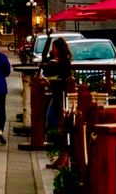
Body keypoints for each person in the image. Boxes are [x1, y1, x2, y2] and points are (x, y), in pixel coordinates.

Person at [42, 36, 73, 169]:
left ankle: (64, 154)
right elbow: (44, 61)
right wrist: (48, 39)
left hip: (60, 97)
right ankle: (62, 154)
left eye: (54, 48)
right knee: (52, 121)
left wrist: (50, 82)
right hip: (56, 95)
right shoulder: (56, 61)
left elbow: (64, 79)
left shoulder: (64, 62)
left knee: (56, 123)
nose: (52, 50)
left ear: (59, 49)